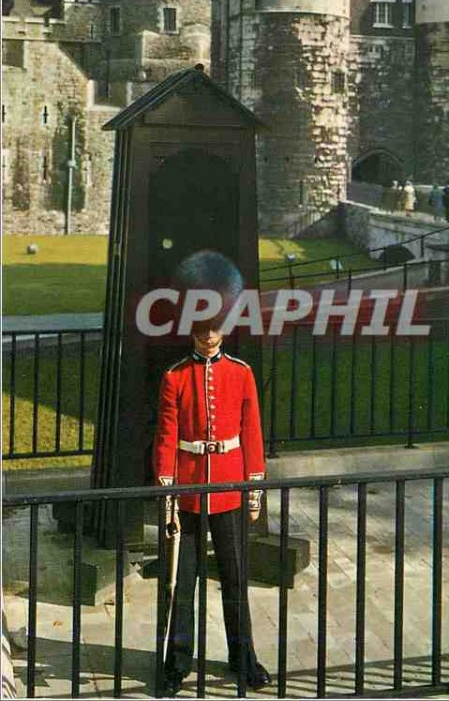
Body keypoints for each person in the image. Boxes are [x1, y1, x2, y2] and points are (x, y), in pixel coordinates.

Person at [153, 251, 271, 697]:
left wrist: (253, 491)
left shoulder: (241, 375)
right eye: (201, 329)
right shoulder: (175, 377)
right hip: (187, 493)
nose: (208, 336)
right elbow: (166, 440)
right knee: (182, 585)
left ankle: (244, 657)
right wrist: (168, 495)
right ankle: (176, 663)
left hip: (229, 489)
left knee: (236, 579)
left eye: (215, 327)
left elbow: (252, 436)